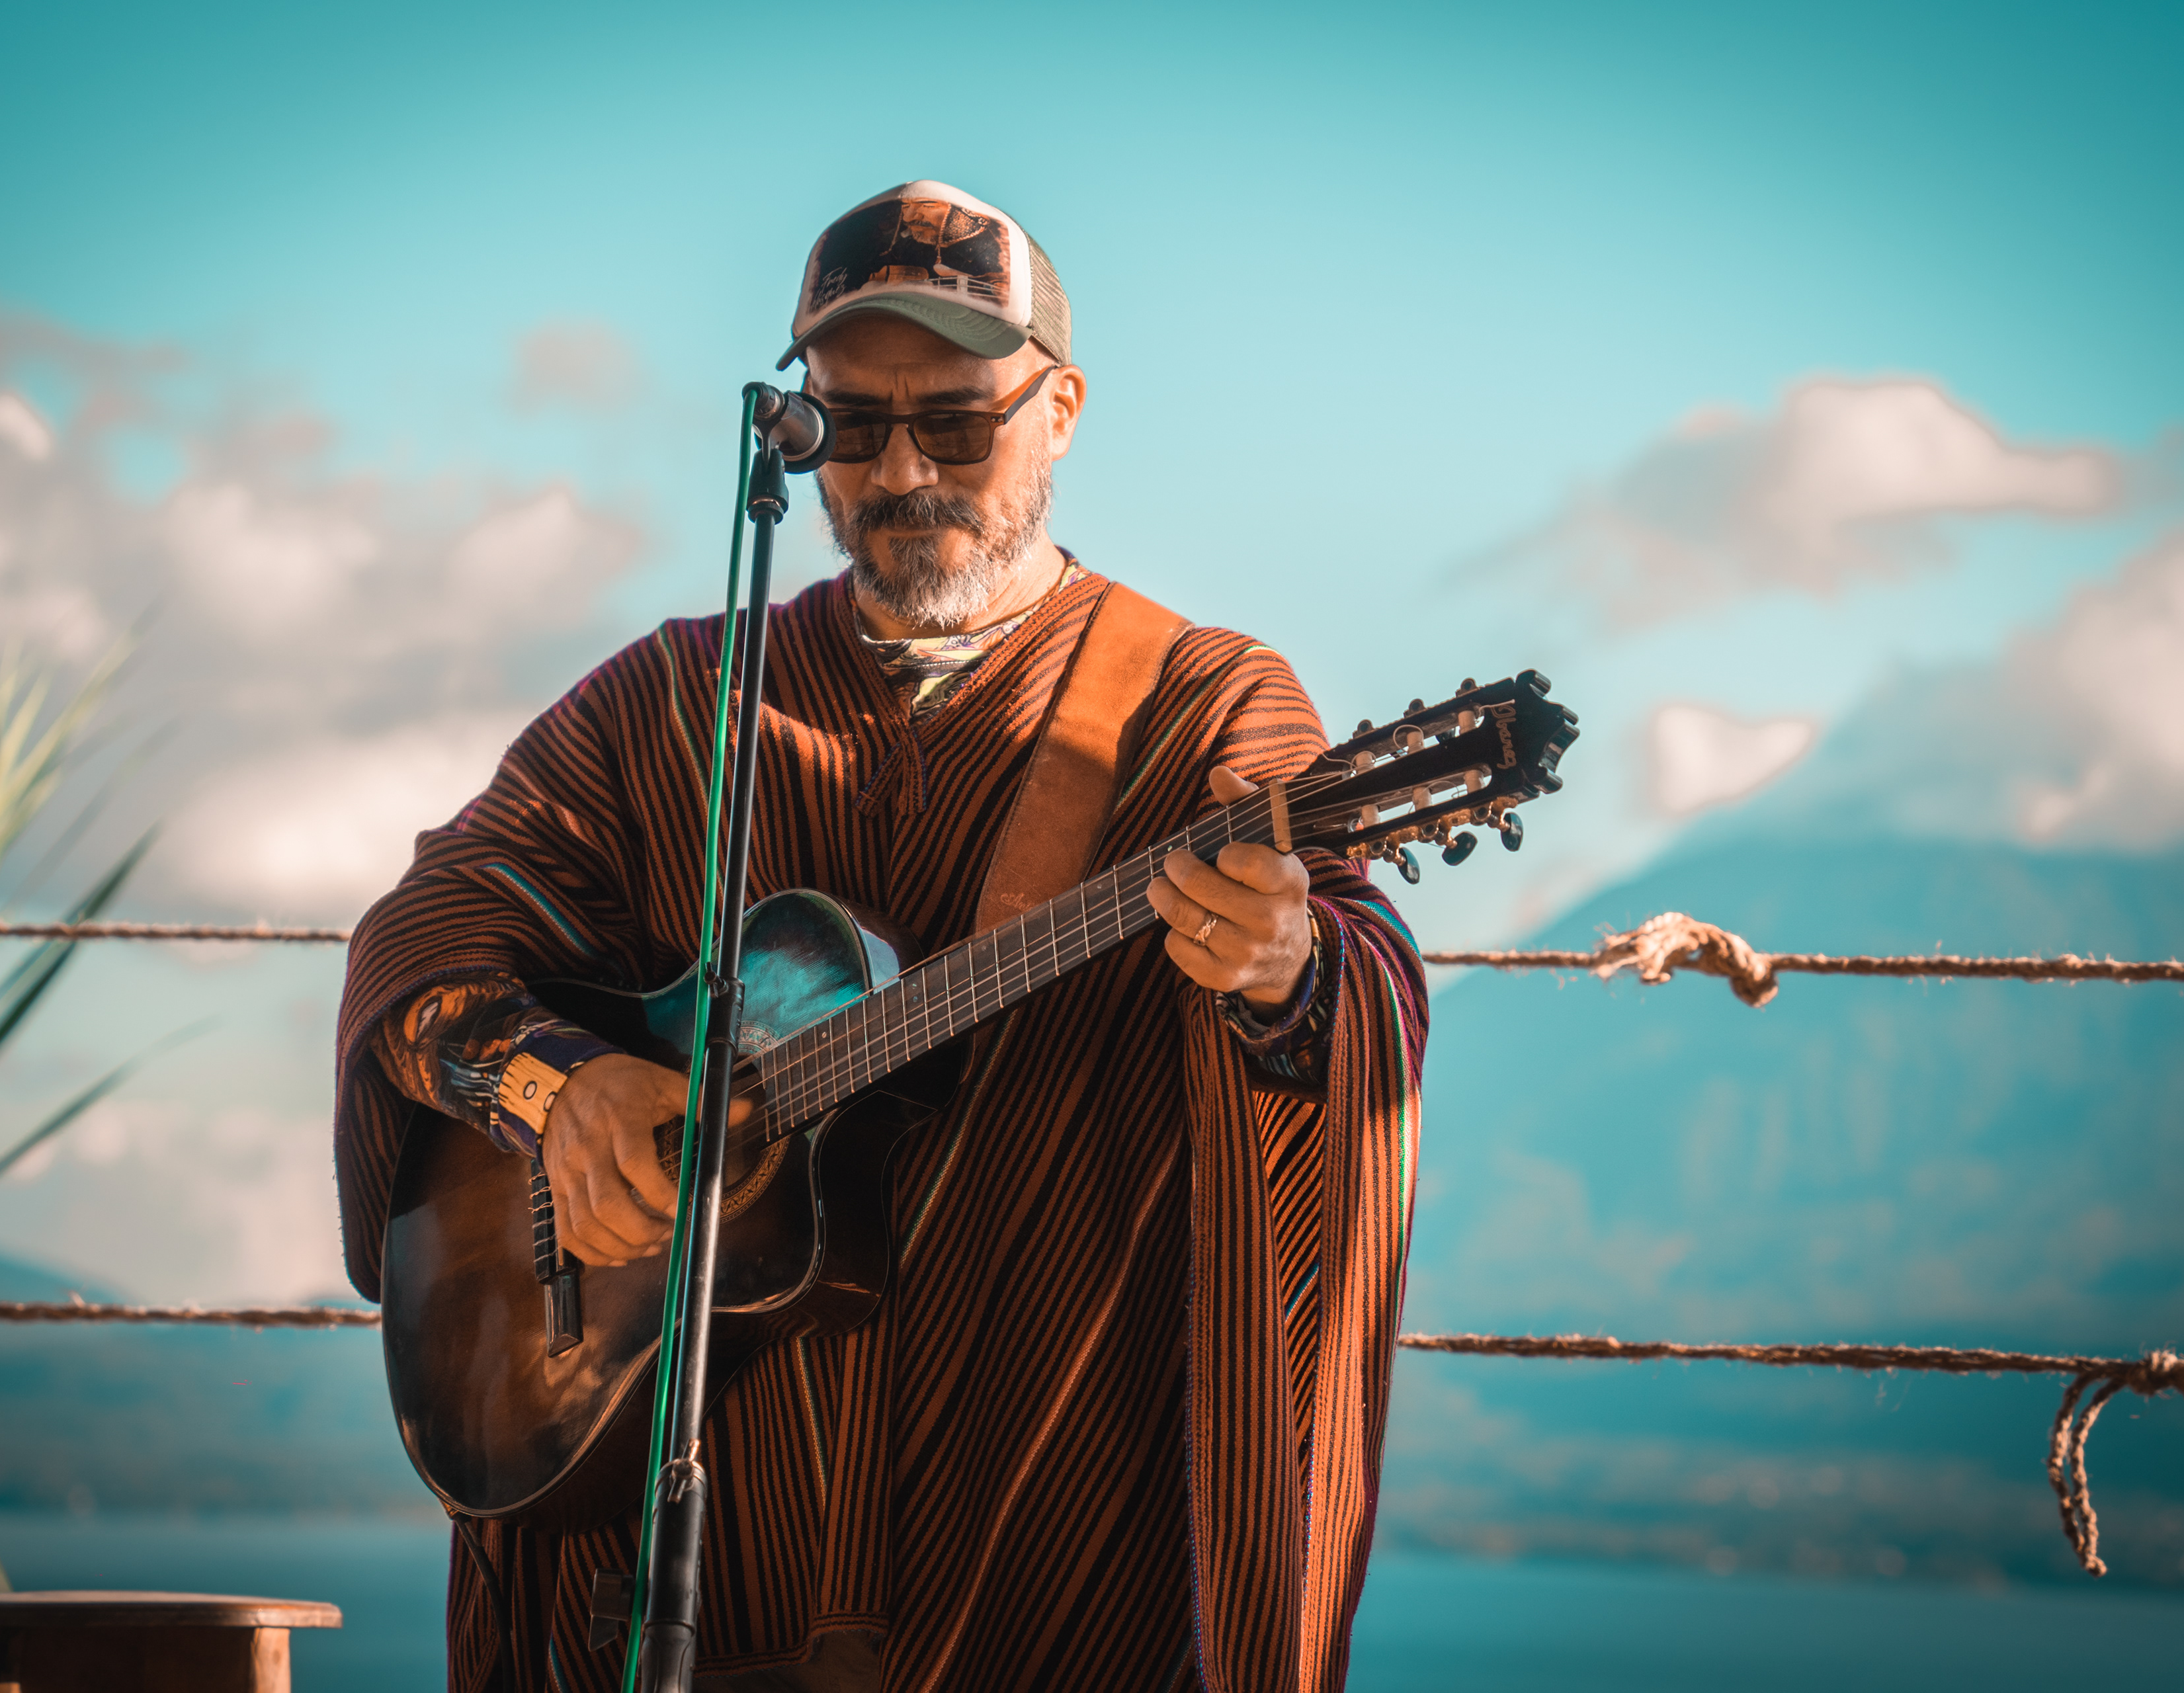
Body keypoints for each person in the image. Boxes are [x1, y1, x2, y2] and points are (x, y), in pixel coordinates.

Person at [333, 181, 1429, 1693]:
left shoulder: (1204, 703)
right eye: (852, 424)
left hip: (1050, 1483)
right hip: (701, 1488)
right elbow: (433, 926)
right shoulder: (677, 701)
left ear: (1061, 410)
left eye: (958, 424)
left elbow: (1352, 965)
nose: (904, 469)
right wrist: (554, 1088)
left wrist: (1286, 970)